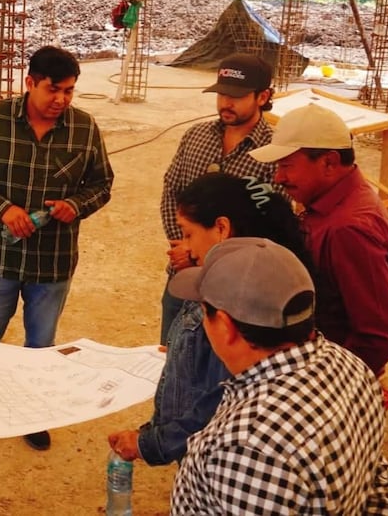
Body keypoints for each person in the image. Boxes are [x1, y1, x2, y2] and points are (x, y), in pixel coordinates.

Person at [0, 45, 113, 452]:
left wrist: (74, 206)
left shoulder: (84, 128)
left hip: (52, 262)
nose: (61, 99)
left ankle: (33, 416)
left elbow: (102, 185)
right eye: (53, 89)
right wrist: (3, 209)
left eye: (70, 91)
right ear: (30, 83)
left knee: (41, 348)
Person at [167, 238, 388, 513]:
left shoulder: (248, 449)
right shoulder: (352, 368)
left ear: (226, 326)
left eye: (205, 312)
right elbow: (377, 486)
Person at [108, 172, 310, 466]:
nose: (185, 247)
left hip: (207, 457)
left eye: (188, 233)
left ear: (221, 228)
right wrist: (181, 353)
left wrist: (148, 443)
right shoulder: (273, 281)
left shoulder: (229, 303)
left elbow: (214, 403)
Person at [250, 102, 388, 376]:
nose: (278, 177)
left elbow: (384, 334)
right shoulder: (333, 203)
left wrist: (327, 385)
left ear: (329, 162)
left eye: (287, 165)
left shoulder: (348, 228)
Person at [159, 52, 276, 343]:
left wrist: (206, 259)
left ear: (263, 97)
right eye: (221, 94)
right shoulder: (195, 136)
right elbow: (171, 192)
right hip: (182, 275)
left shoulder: (274, 152)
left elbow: (268, 223)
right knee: (171, 360)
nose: (225, 103)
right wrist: (186, 248)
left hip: (235, 290)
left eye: (236, 96)